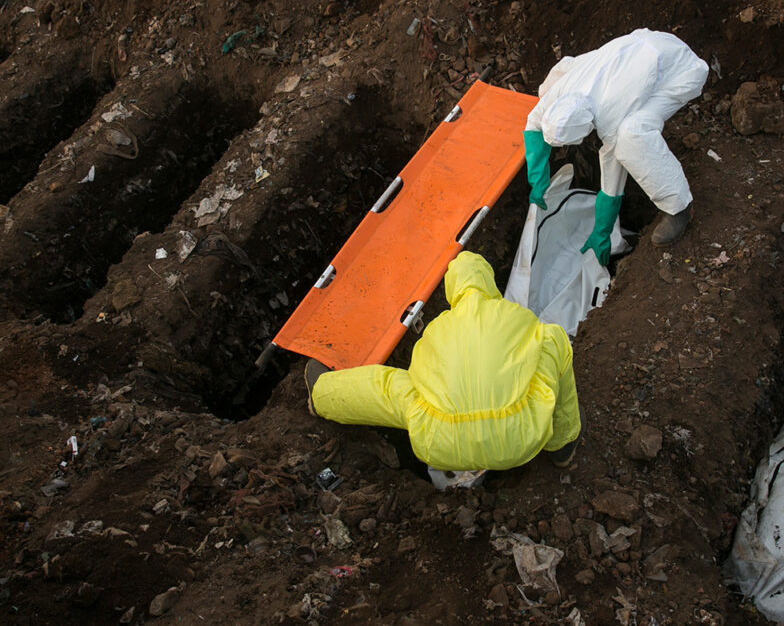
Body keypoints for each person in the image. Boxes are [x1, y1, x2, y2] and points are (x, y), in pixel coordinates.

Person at [304, 251, 581, 471]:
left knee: (390, 389)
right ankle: (563, 446)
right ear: (489, 283)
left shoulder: (441, 325)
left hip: (437, 442)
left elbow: (424, 366)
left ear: (453, 289)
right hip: (523, 436)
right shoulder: (509, 314)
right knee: (553, 344)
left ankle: (321, 395)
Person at [524, 29, 710, 263]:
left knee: (630, 136)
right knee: (556, 82)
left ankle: (679, 207)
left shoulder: (611, 115)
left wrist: (602, 231)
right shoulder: (559, 94)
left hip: (679, 71)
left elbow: (612, 178)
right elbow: (534, 121)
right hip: (643, 49)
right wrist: (537, 180)